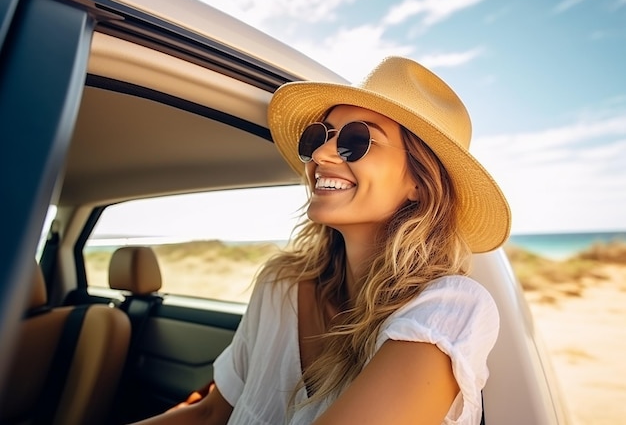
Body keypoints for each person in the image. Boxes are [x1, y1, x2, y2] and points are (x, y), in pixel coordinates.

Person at [132, 56, 511, 425]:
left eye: (357, 140)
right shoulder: (280, 284)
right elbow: (212, 414)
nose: (320, 153)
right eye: (320, 136)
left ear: (418, 182)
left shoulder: (447, 310)